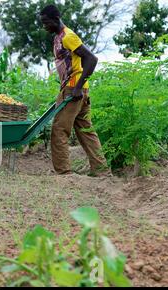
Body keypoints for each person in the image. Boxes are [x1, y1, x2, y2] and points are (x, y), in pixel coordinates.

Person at [40, 4, 110, 176]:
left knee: (59, 130)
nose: (44, 26)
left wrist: (77, 87)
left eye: (46, 22)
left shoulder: (68, 36)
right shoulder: (58, 37)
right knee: (86, 131)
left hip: (74, 89)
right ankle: (101, 171)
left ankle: (64, 173)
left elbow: (91, 59)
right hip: (75, 89)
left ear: (56, 20)